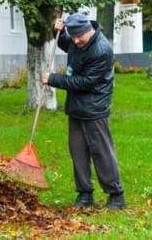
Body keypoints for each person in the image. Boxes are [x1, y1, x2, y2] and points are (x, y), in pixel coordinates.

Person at [41, 12, 126, 210]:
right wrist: (58, 31)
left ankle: (116, 196)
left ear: (89, 30)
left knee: (101, 152)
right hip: (77, 107)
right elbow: (67, 44)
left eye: (80, 36)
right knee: (78, 151)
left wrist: (53, 79)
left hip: (94, 108)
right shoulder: (78, 41)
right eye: (74, 36)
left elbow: (86, 82)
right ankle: (85, 195)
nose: (77, 40)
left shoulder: (101, 50)